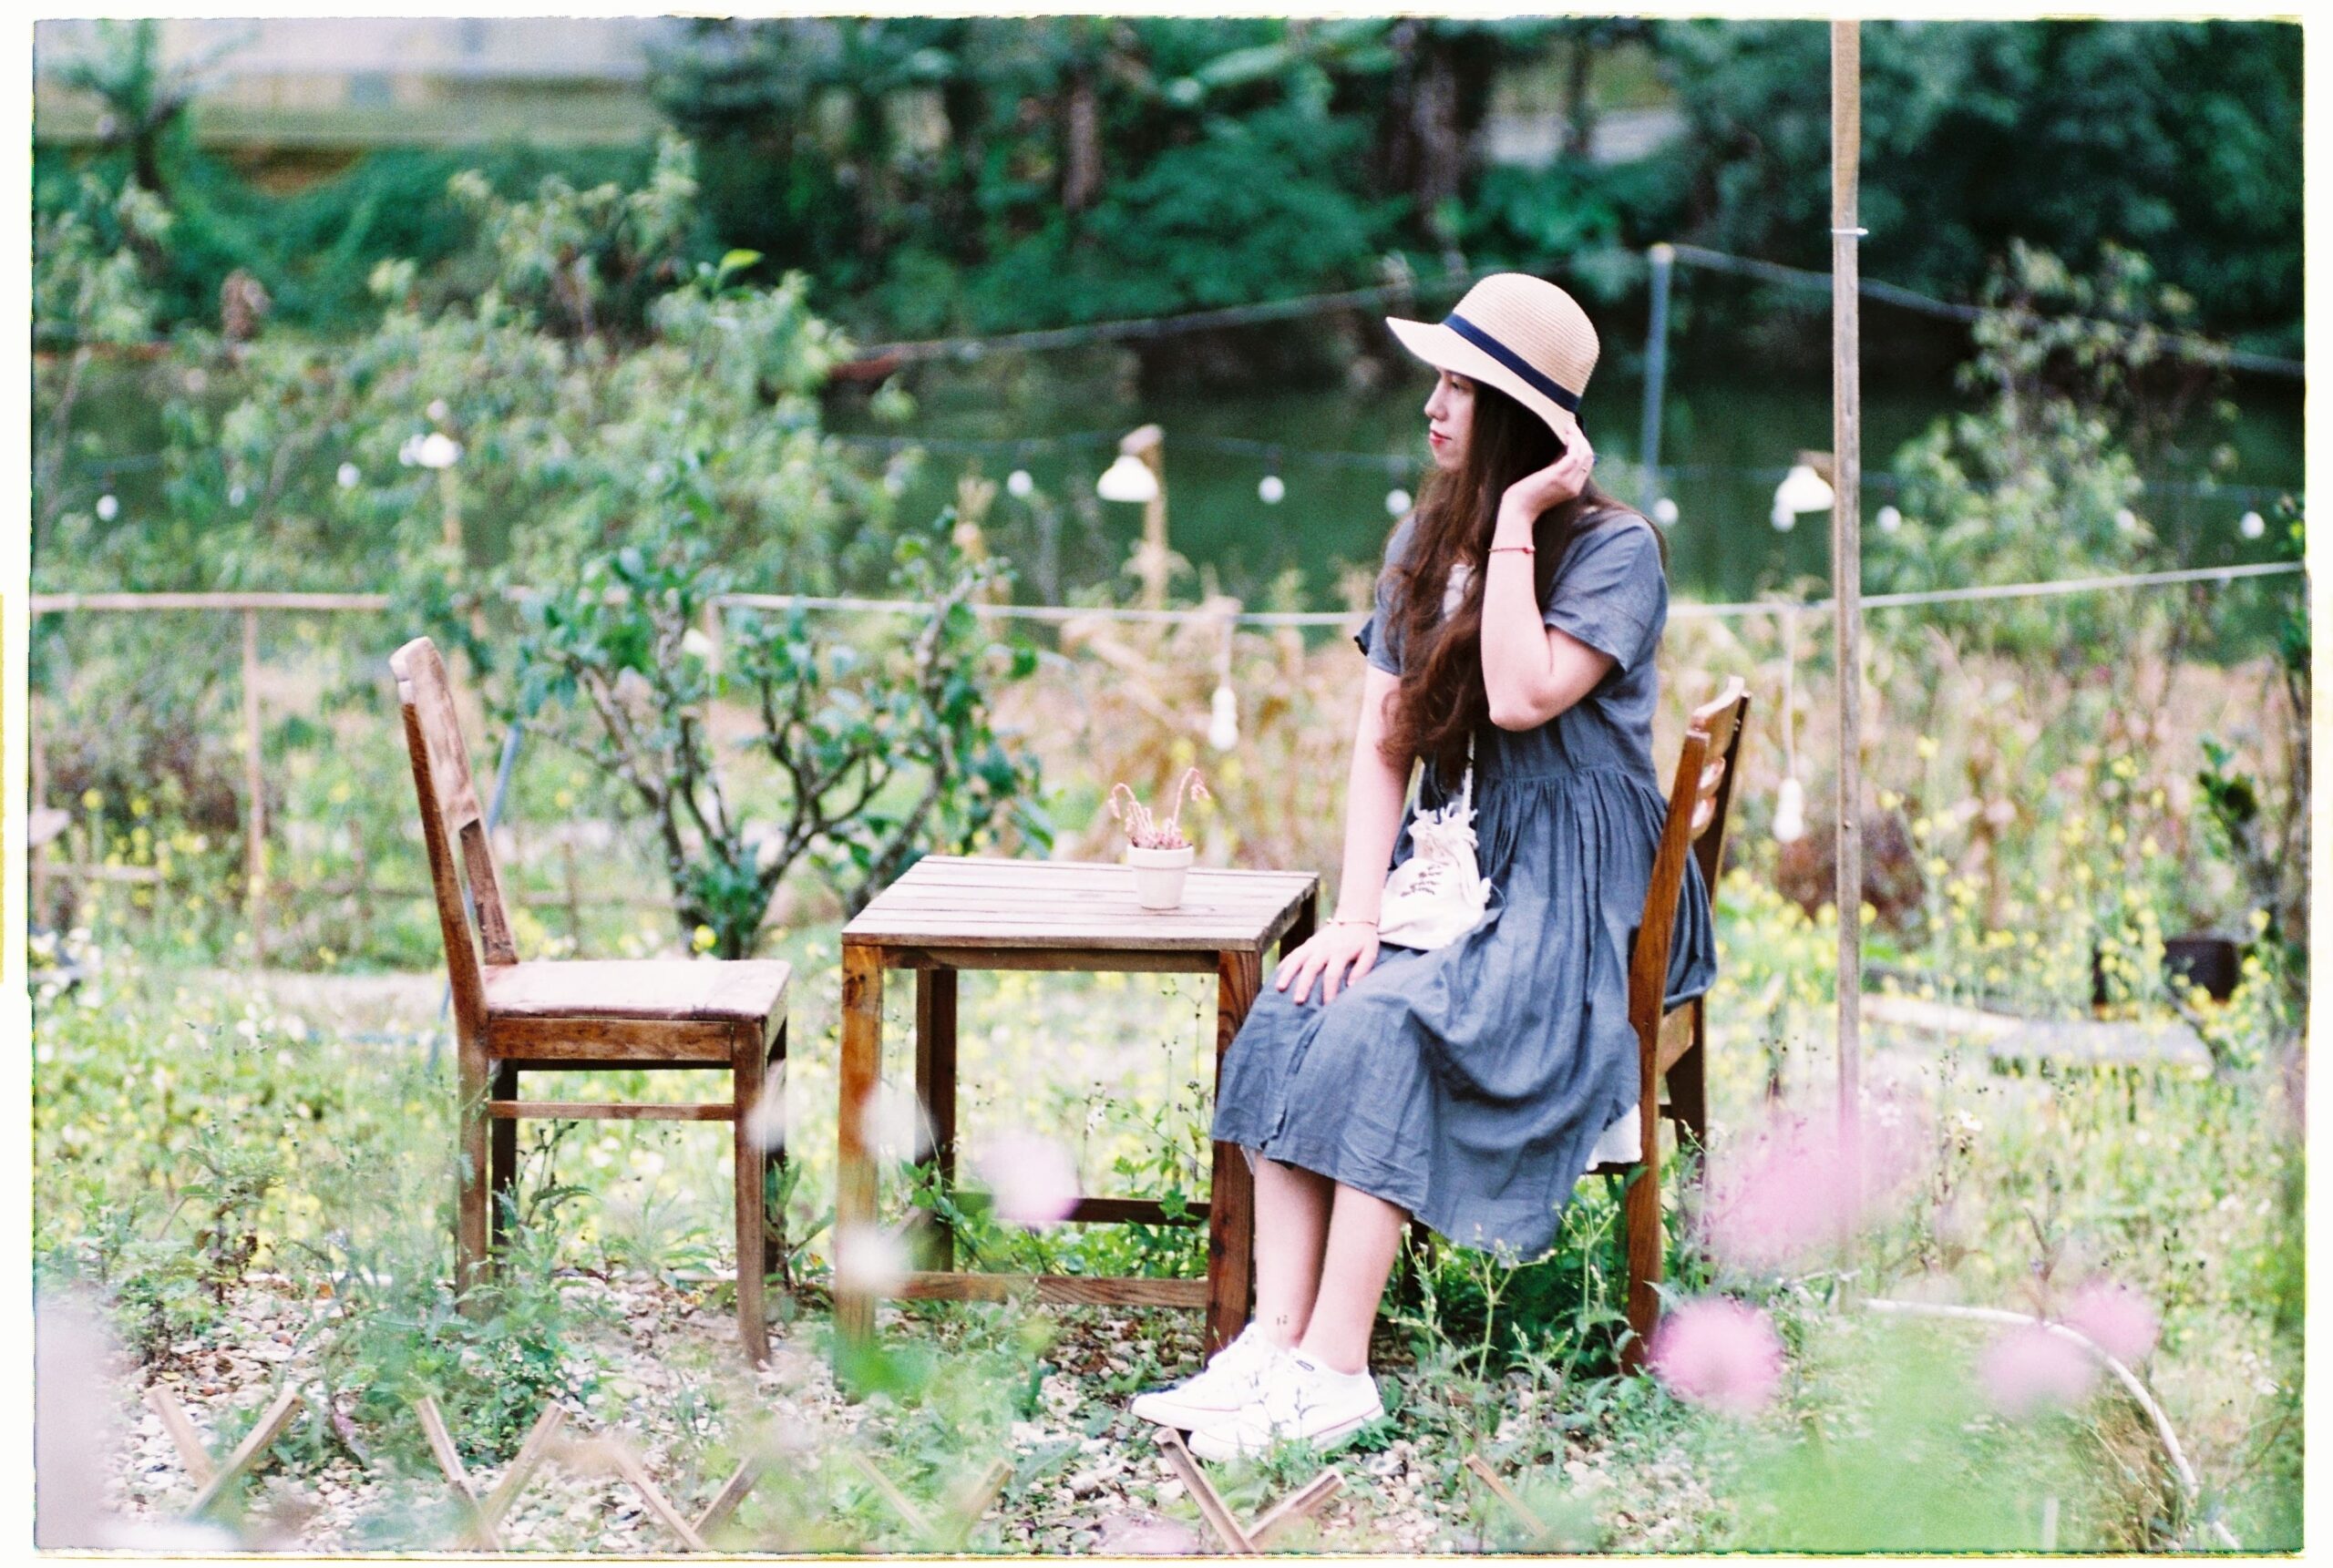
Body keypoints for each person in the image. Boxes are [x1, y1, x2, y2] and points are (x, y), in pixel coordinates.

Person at [1127, 272, 1719, 1460]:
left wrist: (1515, 520)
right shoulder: (1421, 540)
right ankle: (1277, 1342)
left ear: (1521, 416)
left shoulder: (1614, 550)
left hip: (1565, 880)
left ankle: (1339, 1369)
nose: (1435, 406)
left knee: (1394, 1029)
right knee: (1299, 1007)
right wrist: (1355, 911)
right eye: (1441, 380)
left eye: (1462, 386)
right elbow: (1383, 738)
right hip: (1447, 861)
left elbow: (1516, 693)